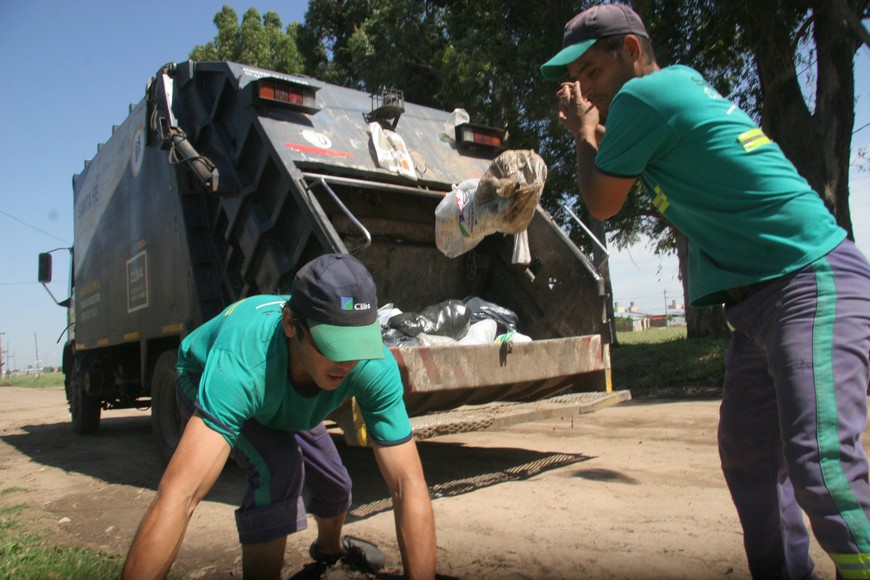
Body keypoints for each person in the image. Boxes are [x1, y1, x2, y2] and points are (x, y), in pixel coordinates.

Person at [542, 4, 870, 578]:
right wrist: (594, 128)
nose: (587, 87)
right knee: (751, 458)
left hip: (807, 280)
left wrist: (582, 133)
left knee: (821, 465)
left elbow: (602, 202)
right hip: (758, 304)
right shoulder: (674, 88)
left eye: (592, 70)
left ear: (633, 52)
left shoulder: (645, 98)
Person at [122, 253, 436, 579]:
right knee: (280, 467)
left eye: (357, 345)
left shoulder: (371, 364)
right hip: (205, 375)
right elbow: (180, 493)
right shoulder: (243, 361)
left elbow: (407, 483)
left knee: (335, 484)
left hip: (284, 391)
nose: (346, 363)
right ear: (290, 325)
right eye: (334, 346)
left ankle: (330, 550)